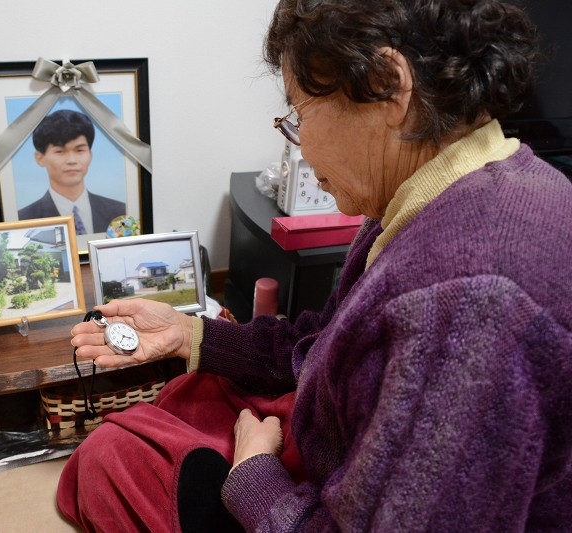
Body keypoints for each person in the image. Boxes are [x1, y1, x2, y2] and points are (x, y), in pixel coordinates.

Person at [57, 1, 572, 531]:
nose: (298, 140)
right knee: (184, 397)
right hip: (341, 457)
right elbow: (325, 340)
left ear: (390, 85)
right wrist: (191, 335)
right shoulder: (440, 192)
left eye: (300, 115)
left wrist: (254, 475)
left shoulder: (472, 301)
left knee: (110, 461)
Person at [17, 109, 126, 234]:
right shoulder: (23, 220)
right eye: (60, 151)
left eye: (79, 150)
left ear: (90, 155)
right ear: (40, 158)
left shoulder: (121, 213)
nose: (72, 160)